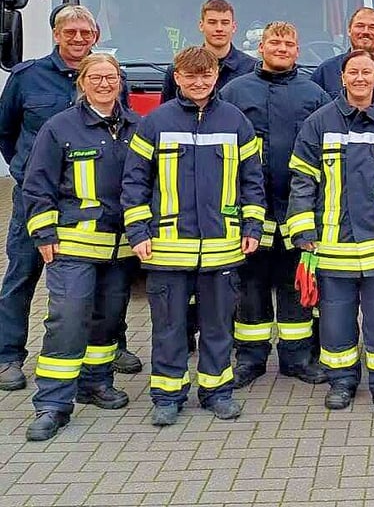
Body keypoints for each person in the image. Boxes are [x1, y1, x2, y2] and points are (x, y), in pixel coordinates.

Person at [122, 46, 265, 426]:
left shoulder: (236, 122)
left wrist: (252, 226)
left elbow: (252, 181)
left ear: (216, 76)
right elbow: (134, 181)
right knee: (169, 328)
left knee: (219, 327)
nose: (199, 83)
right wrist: (137, 231)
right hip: (167, 248)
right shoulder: (154, 122)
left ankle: (217, 392)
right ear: (178, 78)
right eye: (190, 76)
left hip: (221, 247)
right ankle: (167, 396)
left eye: (206, 76)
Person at [0, 5, 137, 390]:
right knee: (22, 275)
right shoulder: (27, 77)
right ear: (56, 35)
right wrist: (23, 170)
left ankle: (112, 347)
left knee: (109, 278)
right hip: (38, 200)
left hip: (91, 206)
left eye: (85, 32)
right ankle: (8, 355)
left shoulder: (110, 76)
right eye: (70, 32)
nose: (78, 38)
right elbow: (6, 131)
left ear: (95, 36)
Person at [287, 50, 374, 417]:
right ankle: (342, 381)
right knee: (335, 321)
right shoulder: (318, 124)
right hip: (332, 246)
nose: (360, 78)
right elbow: (303, 182)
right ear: (342, 78)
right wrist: (302, 229)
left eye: (367, 71)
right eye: (353, 72)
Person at [20, 54, 140, 441]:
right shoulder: (60, 127)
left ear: (121, 82)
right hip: (72, 245)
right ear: (82, 82)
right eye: (96, 77)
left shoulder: (138, 127)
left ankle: (95, 382)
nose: (105, 84)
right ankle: (52, 403)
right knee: (69, 318)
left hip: (120, 247)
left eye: (111, 77)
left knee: (108, 319)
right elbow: (37, 184)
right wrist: (44, 234)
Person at [219, 22, 331, 388]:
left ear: (297, 51)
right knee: (249, 286)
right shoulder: (234, 91)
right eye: (274, 42)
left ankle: (297, 358)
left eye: (288, 43)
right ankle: (250, 360)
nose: (281, 48)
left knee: (295, 285)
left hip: (297, 209)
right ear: (261, 47)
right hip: (252, 209)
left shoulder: (315, 95)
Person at [159, 0, 257, 104]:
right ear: (201, 26)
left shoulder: (252, 69)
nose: (219, 28)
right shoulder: (179, 68)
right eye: (212, 22)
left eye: (224, 23)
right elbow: (167, 114)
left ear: (233, 27)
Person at [311, 7, 374, 106]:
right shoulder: (325, 71)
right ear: (349, 30)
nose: (365, 32)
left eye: (372, 27)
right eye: (360, 26)